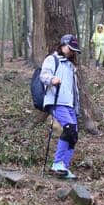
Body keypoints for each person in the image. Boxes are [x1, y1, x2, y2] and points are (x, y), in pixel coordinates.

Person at [40, 34, 81, 179]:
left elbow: (74, 90)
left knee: (73, 135)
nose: (71, 51)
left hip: (69, 104)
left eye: (73, 50)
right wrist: (52, 79)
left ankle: (64, 167)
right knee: (69, 129)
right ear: (62, 45)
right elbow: (43, 75)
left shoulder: (71, 66)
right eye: (70, 48)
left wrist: (77, 107)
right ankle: (57, 164)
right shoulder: (52, 59)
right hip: (56, 102)